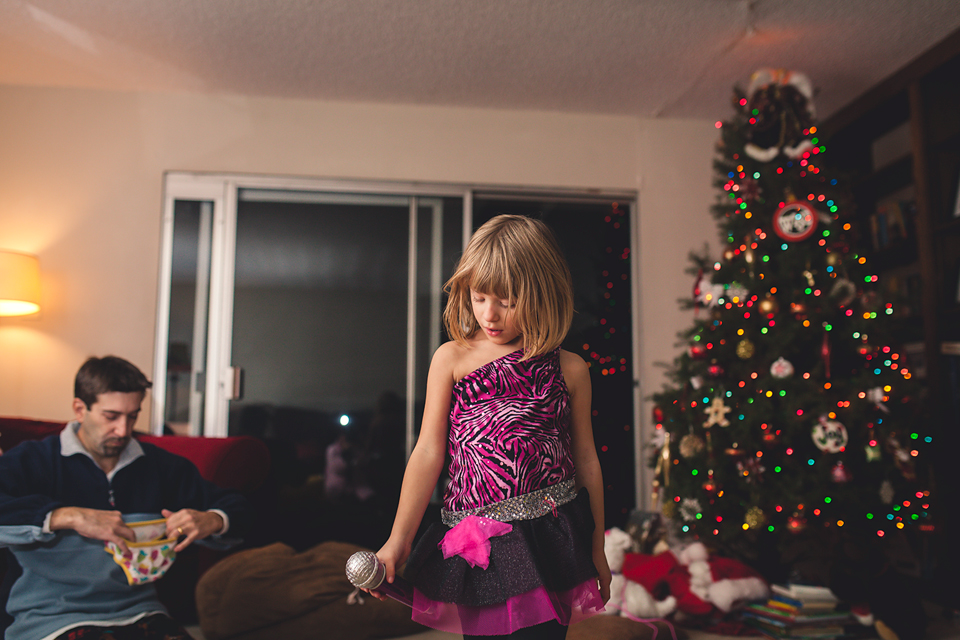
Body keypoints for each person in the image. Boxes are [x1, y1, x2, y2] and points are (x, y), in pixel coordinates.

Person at [372, 215, 611, 639]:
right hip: (480, 547)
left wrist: (597, 549)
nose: (489, 314)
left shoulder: (570, 369)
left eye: (507, 301)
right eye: (479, 298)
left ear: (541, 294)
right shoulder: (452, 359)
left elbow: (586, 462)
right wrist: (398, 540)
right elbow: (428, 451)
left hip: (550, 541)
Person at [0, 356, 251, 640]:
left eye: (133, 416)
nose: (124, 430)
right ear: (80, 409)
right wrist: (66, 516)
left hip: (144, 614)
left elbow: (238, 509)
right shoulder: (33, 460)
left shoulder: (162, 466)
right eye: (111, 417)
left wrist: (214, 519)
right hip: (50, 620)